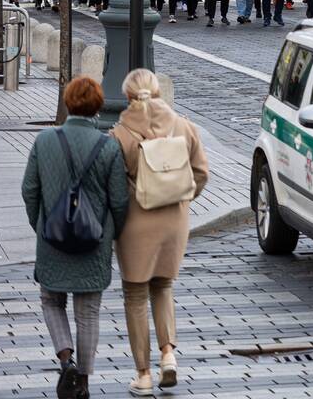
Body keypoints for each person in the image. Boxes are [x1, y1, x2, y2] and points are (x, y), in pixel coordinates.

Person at [21, 77, 128, 399]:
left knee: (51, 300)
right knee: (88, 311)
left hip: (52, 239)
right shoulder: (108, 146)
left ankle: (65, 361)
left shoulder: (44, 141)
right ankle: (82, 380)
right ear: (97, 106)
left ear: (68, 104)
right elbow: (119, 201)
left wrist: (39, 225)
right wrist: (112, 233)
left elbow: (29, 190)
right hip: (93, 242)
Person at [110, 69, 208, 397]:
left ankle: (143, 374)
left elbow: (112, 188)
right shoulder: (183, 125)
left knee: (136, 295)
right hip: (174, 222)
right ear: (157, 92)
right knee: (163, 286)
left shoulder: (120, 134)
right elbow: (201, 173)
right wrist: (181, 198)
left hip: (136, 224)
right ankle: (169, 354)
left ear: (127, 97)